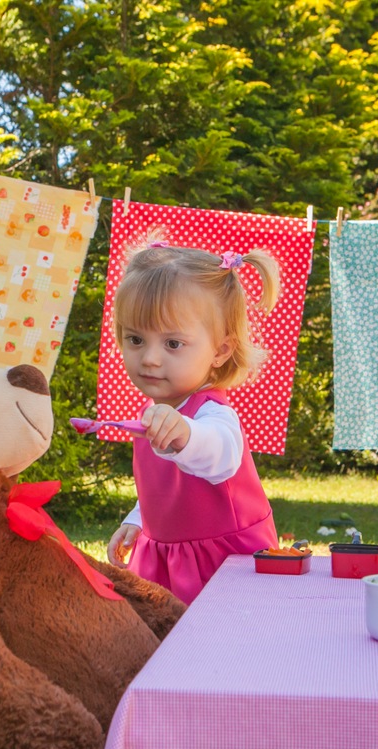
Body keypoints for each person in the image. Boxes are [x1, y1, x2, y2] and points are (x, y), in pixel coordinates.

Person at [105, 242, 281, 604]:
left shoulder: (212, 415)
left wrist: (186, 434)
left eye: (172, 343)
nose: (150, 359)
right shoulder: (155, 411)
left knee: (219, 647)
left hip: (224, 567)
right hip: (166, 558)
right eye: (135, 339)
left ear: (220, 350)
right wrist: (139, 518)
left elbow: (221, 455)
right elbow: (166, 487)